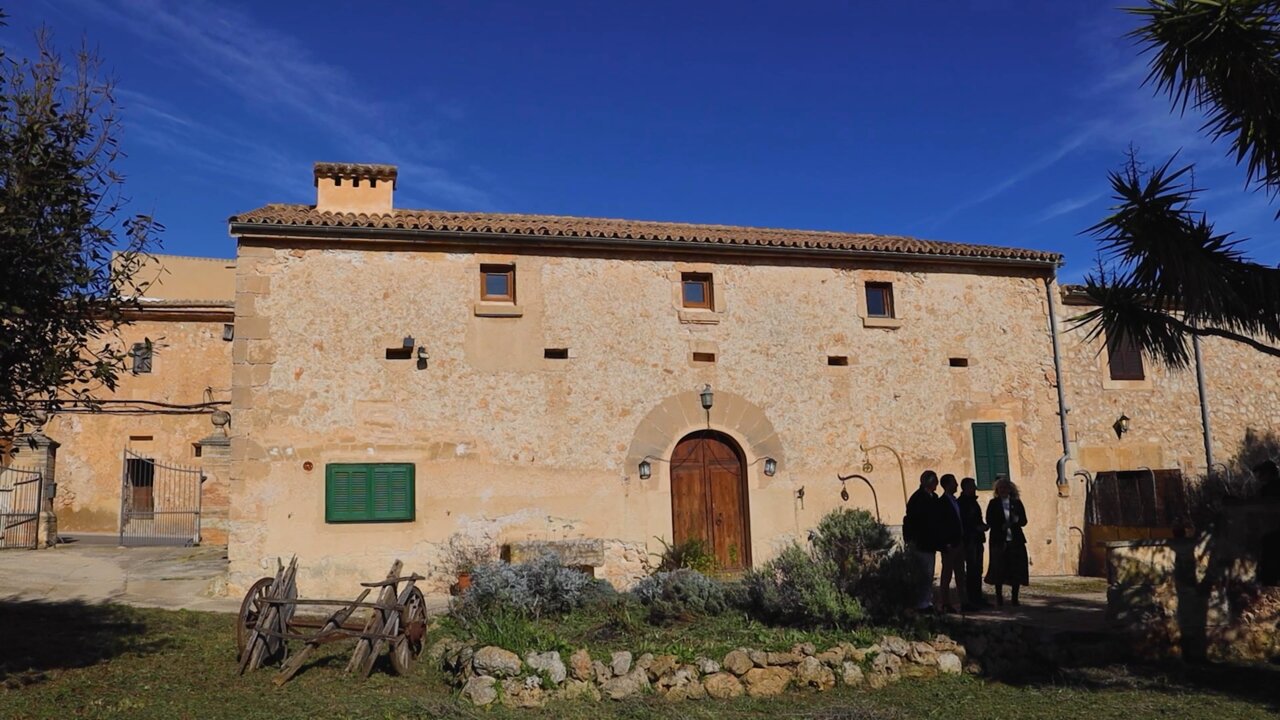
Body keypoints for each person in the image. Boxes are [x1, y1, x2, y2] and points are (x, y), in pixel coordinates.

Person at [984, 474, 1029, 607]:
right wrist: (1000, 526)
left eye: (1005, 487)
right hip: (999, 540)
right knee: (999, 569)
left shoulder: (1016, 503)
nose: (1003, 490)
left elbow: (1024, 521)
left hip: (1015, 540)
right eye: (1000, 488)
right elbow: (989, 520)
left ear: (1010, 489)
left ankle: (1015, 598)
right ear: (997, 490)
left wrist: (1016, 520)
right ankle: (999, 598)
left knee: (1016, 568)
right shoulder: (993, 503)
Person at [904, 470, 940, 613]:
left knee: (928, 574)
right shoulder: (918, 499)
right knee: (923, 574)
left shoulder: (932, 497)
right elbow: (915, 521)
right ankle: (921, 603)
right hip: (921, 542)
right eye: (935, 481)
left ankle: (926, 601)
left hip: (929, 543)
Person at [936, 474, 967, 613]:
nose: (957, 485)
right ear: (947, 485)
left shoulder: (956, 501)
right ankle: (945, 602)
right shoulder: (942, 503)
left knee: (961, 574)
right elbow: (941, 524)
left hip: (959, 541)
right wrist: (946, 542)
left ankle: (964, 601)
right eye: (954, 482)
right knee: (947, 574)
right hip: (950, 544)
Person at [959, 476, 988, 608]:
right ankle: (972, 598)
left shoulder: (972, 502)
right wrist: (977, 528)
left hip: (976, 540)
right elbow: (964, 523)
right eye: (972, 486)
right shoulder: (963, 503)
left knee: (977, 569)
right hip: (970, 540)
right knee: (972, 569)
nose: (975, 489)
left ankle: (977, 597)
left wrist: (982, 526)